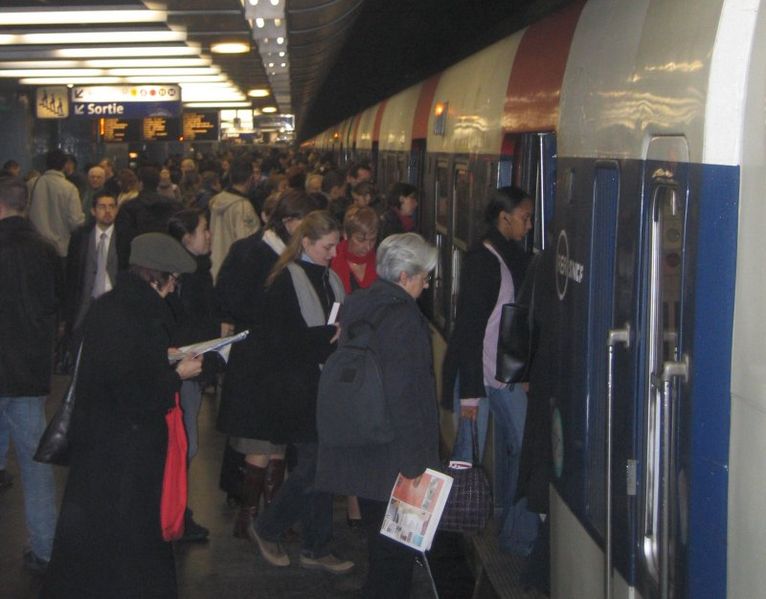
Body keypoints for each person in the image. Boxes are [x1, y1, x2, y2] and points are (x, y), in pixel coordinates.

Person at [41, 233, 202, 599]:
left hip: (100, 446)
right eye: (172, 278)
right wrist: (177, 374)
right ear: (155, 276)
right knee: (130, 543)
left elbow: (119, 369)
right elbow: (136, 393)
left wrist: (165, 357)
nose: (174, 287)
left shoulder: (111, 306)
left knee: (91, 541)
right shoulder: (141, 315)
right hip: (128, 449)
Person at [316, 232, 440, 598]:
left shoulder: (358, 303)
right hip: (395, 456)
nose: (427, 283)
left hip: (362, 441)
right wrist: (416, 464)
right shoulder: (403, 318)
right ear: (405, 277)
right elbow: (406, 394)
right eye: (424, 275)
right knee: (396, 560)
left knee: (380, 549)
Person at [250, 211, 353, 575]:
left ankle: (317, 544)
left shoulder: (331, 279)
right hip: (296, 389)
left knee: (322, 465)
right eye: (328, 246)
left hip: (322, 387)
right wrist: (325, 339)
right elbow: (277, 341)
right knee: (316, 465)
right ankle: (267, 527)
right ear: (306, 243)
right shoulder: (284, 281)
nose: (334, 252)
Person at [441, 185, 539, 555]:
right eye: (525, 217)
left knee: (524, 446)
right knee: (466, 460)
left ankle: (515, 532)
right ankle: (456, 532)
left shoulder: (511, 255)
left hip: (503, 375)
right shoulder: (484, 260)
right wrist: (469, 393)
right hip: (478, 379)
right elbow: (470, 328)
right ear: (504, 218)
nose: (529, 225)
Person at [216, 190, 318, 531]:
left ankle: (273, 516)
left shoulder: (287, 255)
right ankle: (249, 519)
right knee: (260, 443)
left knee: (277, 444)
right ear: (287, 222)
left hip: (281, 362)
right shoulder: (252, 252)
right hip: (258, 361)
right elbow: (231, 300)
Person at [0, 174, 61, 573]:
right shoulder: (46, 250)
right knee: (36, 465)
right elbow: (57, 309)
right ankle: (44, 548)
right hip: (28, 373)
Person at [166, 208, 220, 542]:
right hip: (184, 367)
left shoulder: (194, 273)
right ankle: (176, 516)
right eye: (204, 230)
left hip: (191, 365)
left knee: (185, 443)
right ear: (186, 238)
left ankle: (177, 513)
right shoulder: (187, 276)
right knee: (184, 443)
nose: (209, 235)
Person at [63, 192, 119, 353]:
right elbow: (72, 274)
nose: (107, 211)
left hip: (114, 302)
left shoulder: (124, 237)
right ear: (93, 211)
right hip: (85, 302)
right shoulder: (81, 236)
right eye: (102, 207)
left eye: (111, 206)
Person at [115, 165, 183, 270]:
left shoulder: (129, 208)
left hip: (139, 264)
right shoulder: (174, 206)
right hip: (167, 263)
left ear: (140, 183)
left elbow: (123, 242)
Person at [208, 157, 261, 281]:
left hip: (214, 264)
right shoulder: (243, 207)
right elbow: (247, 244)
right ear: (250, 179)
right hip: (234, 271)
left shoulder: (216, 200)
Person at [27, 148, 84, 259]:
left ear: (46, 164)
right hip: (59, 248)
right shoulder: (70, 188)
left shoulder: (32, 184)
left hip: (35, 246)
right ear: (64, 165)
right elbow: (75, 221)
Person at [331, 205, 379, 294]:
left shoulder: (381, 262)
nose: (368, 247)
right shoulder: (330, 261)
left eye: (372, 240)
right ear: (345, 235)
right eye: (360, 240)